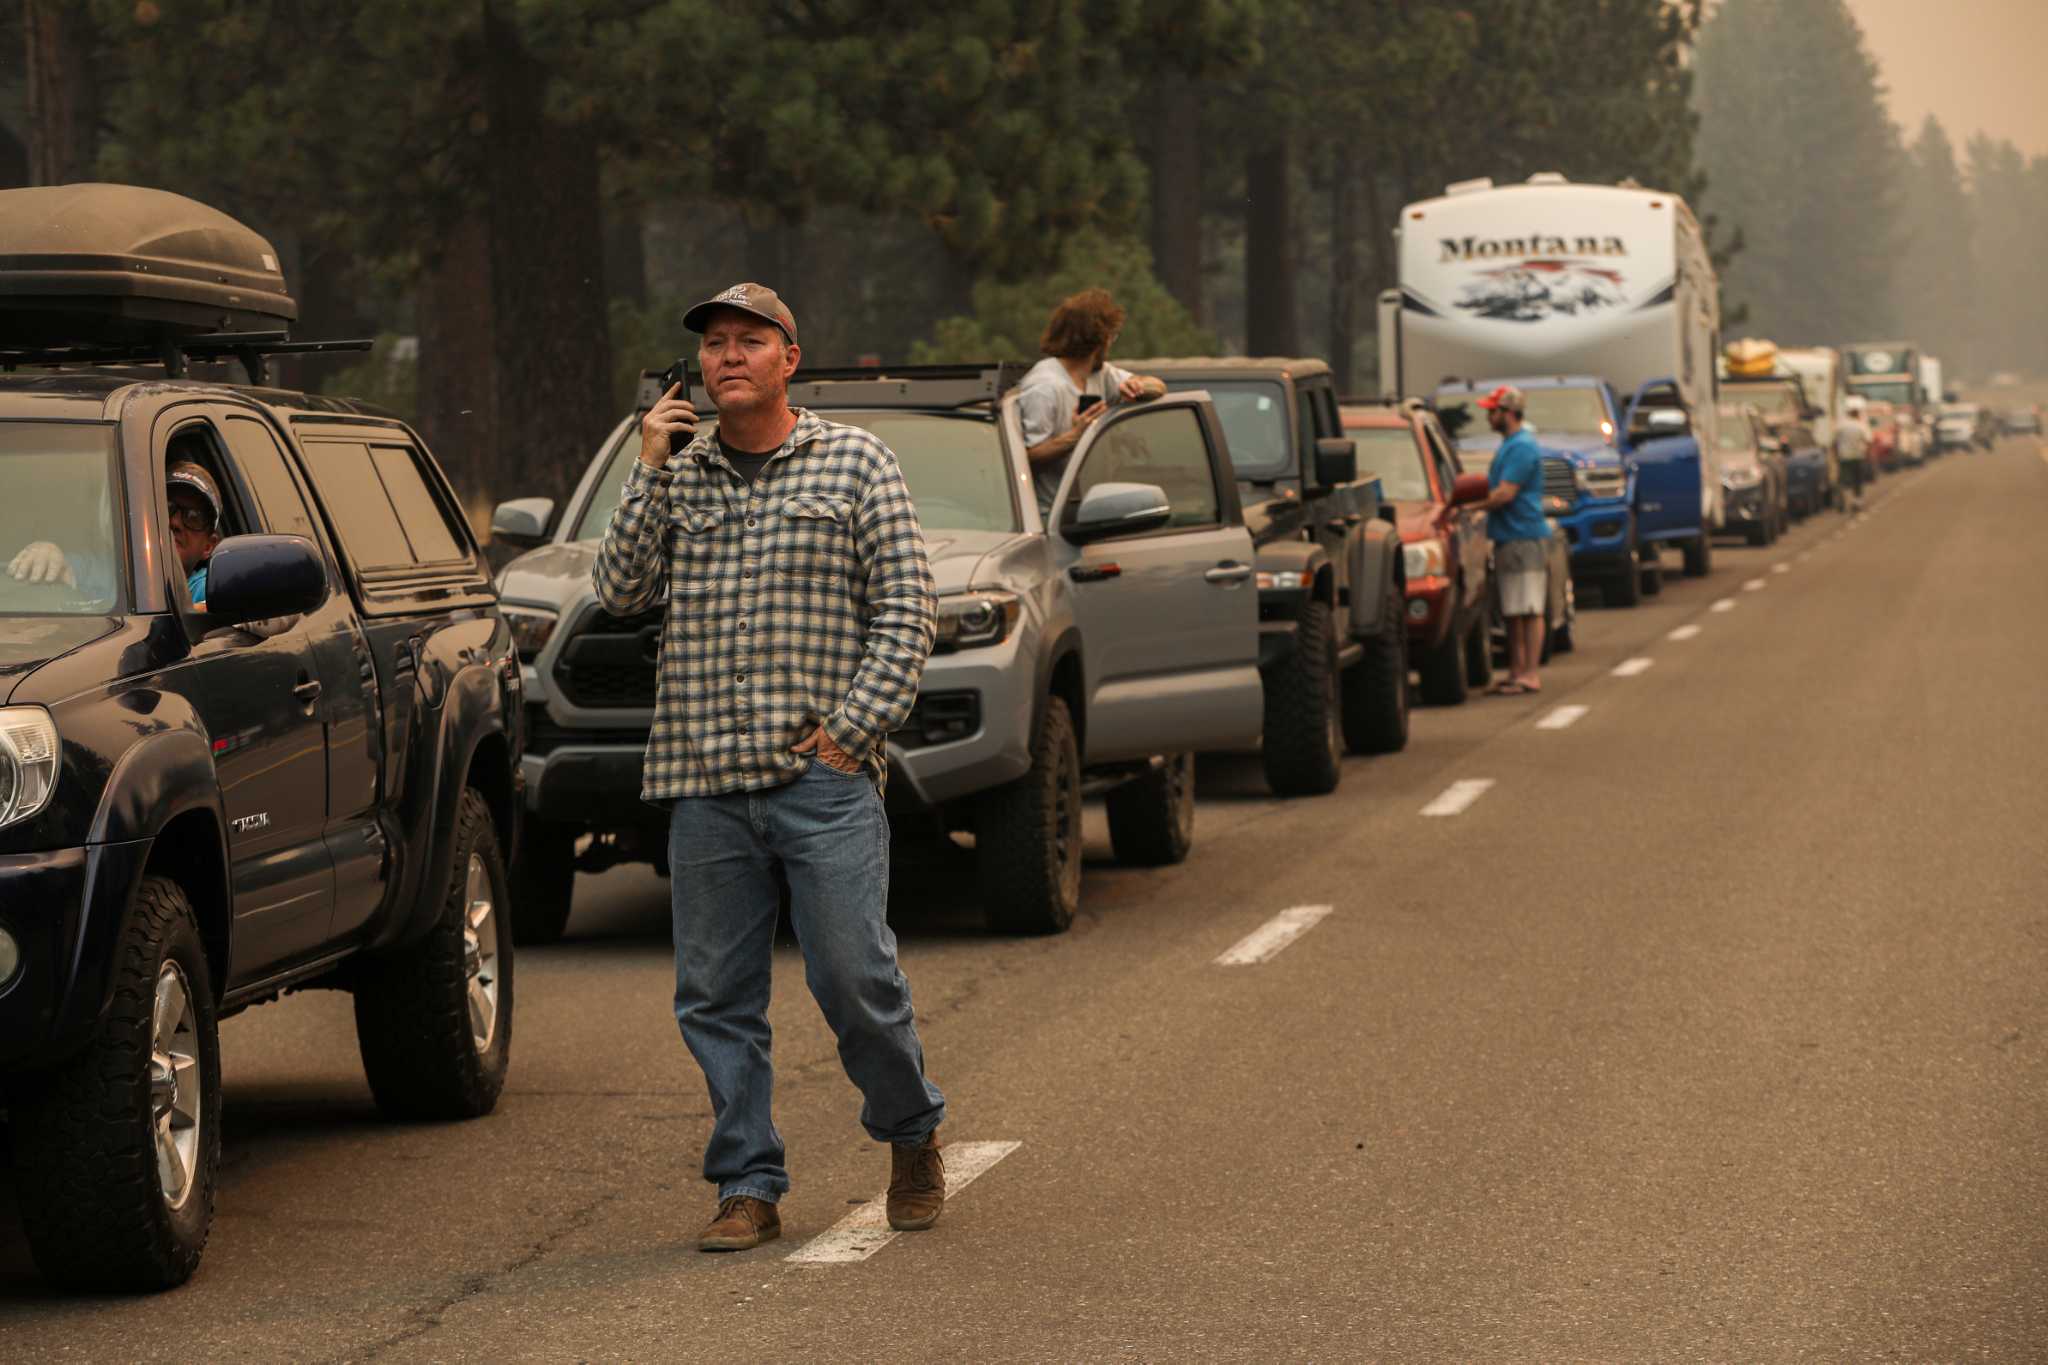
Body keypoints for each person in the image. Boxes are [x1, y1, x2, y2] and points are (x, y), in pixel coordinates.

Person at [592, 281, 947, 1254]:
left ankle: (910, 1131)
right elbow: (620, 593)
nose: (725, 358)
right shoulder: (679, 474)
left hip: (819, 782)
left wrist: (849, 736)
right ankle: (746, 1183)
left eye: (748, 341)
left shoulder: (855, 462)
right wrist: (649, 467)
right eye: (712, 345)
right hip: (704, 784)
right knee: (715, 998)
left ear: (790, 358)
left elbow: (906, 615)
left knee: (852, 978)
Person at [1013, 288, 1168, 516]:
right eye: (1112, 335)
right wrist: (1075, 436)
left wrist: (1139, 386)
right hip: (1051, 516)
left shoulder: (1100, 374)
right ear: (1100, 340)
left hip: (1092, 510)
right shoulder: (1045, 386)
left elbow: (1159, 387)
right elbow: (1027, 459)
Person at [1475, 385, 1549, 695]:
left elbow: (1506, 492)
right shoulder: (1511, 444)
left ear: (1508, 413)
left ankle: (1530, 673)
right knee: (1514, 610)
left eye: (1492, 411)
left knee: (1528, 608)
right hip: (1511, 536)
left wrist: (1469, 507)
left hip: (1523, 536)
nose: (1488, 416)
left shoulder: (1521, 447)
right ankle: (1516, 671)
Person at [1836, 395, 1871, 510]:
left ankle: (1846, 500)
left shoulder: (1841, 425)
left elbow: (1834, 441)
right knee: (1857, 480)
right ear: (1857, 414)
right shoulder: (1861, 425)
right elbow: (1868, 440)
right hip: (1858, 456)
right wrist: (1868, 454)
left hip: (1844, 456)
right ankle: (1856, 502)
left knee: (1845, 480)